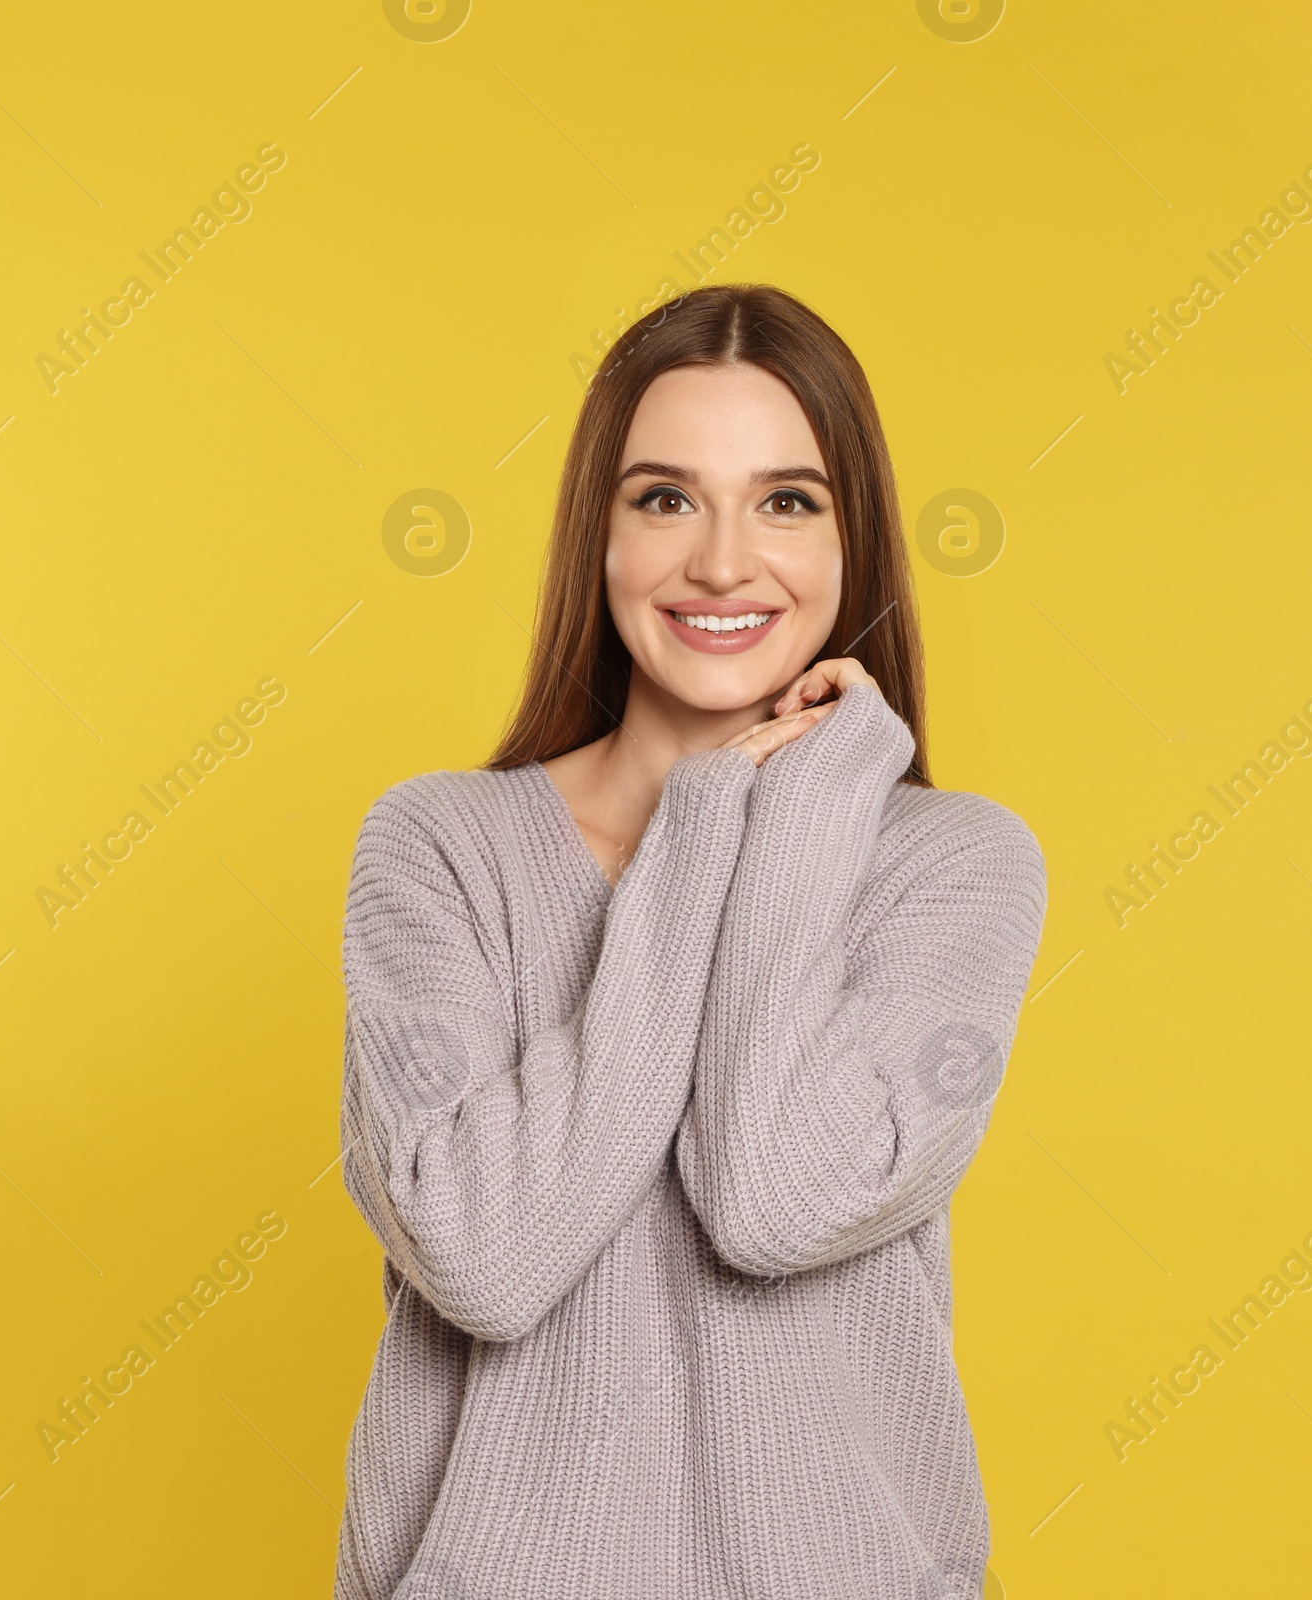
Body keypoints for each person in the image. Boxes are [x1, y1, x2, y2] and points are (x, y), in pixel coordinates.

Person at [334, 283, 1047, 1600]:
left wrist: (790, 816)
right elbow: (487, 1258)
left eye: (787, 500)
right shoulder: (437, 850)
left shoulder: (953, 867)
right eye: (664, 498)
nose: (723, 562)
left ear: (855, 543)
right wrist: (706, 820)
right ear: (595, 539)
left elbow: (770, 1199)